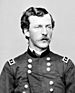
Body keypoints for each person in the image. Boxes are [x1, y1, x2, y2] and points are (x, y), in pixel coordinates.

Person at [0, 6, 75, 93]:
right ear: (26, 32)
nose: (45, 32)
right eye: (38, 27)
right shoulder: (12, 68)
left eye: (48, 27)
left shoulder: (65, 66)